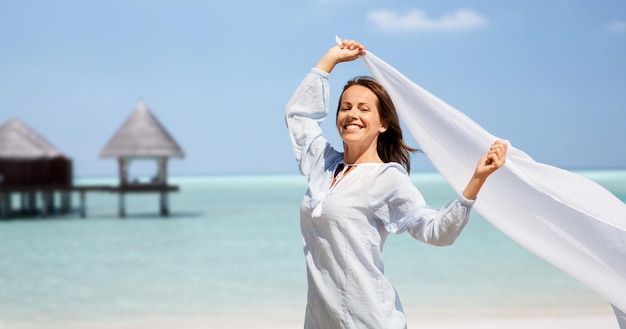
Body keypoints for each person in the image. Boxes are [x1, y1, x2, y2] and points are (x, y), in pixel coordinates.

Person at [285, 39, 508, 329]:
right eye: (346, 107)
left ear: (383, 124)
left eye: (364, 109)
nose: (352, 114)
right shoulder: (323, 165)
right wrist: (329, 61)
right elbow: (298, 116)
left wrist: (476, 181)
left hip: (370, 322)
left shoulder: (386, 177)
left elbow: (436, 232)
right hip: (319, 321)